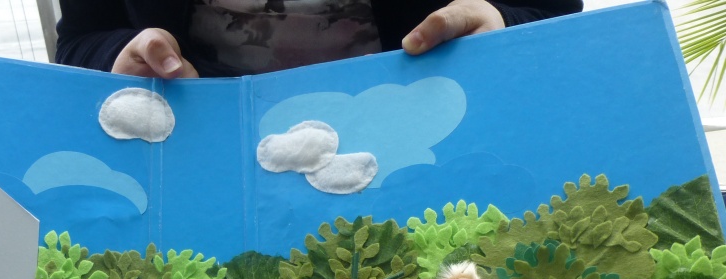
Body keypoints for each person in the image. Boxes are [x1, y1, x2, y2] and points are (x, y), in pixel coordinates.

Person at [55, 0, 583, 79]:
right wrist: (120, 56)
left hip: (429, 118)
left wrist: (502, 24)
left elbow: (554, 13)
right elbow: (80, 41)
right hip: (198, 141)